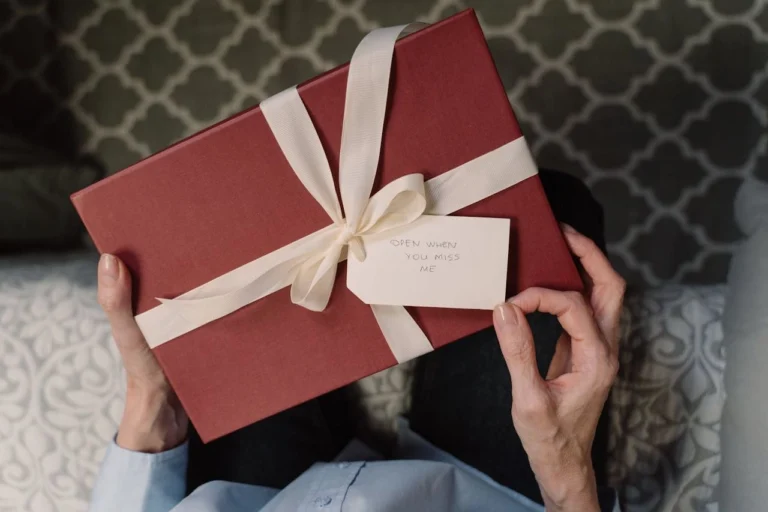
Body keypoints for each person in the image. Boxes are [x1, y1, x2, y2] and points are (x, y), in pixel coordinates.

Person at [89, 171, 624, 512]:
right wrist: (565, 475)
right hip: (486, 497)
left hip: (257, 501)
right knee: (544, 213)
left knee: (250, 227)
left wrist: (151, 405)